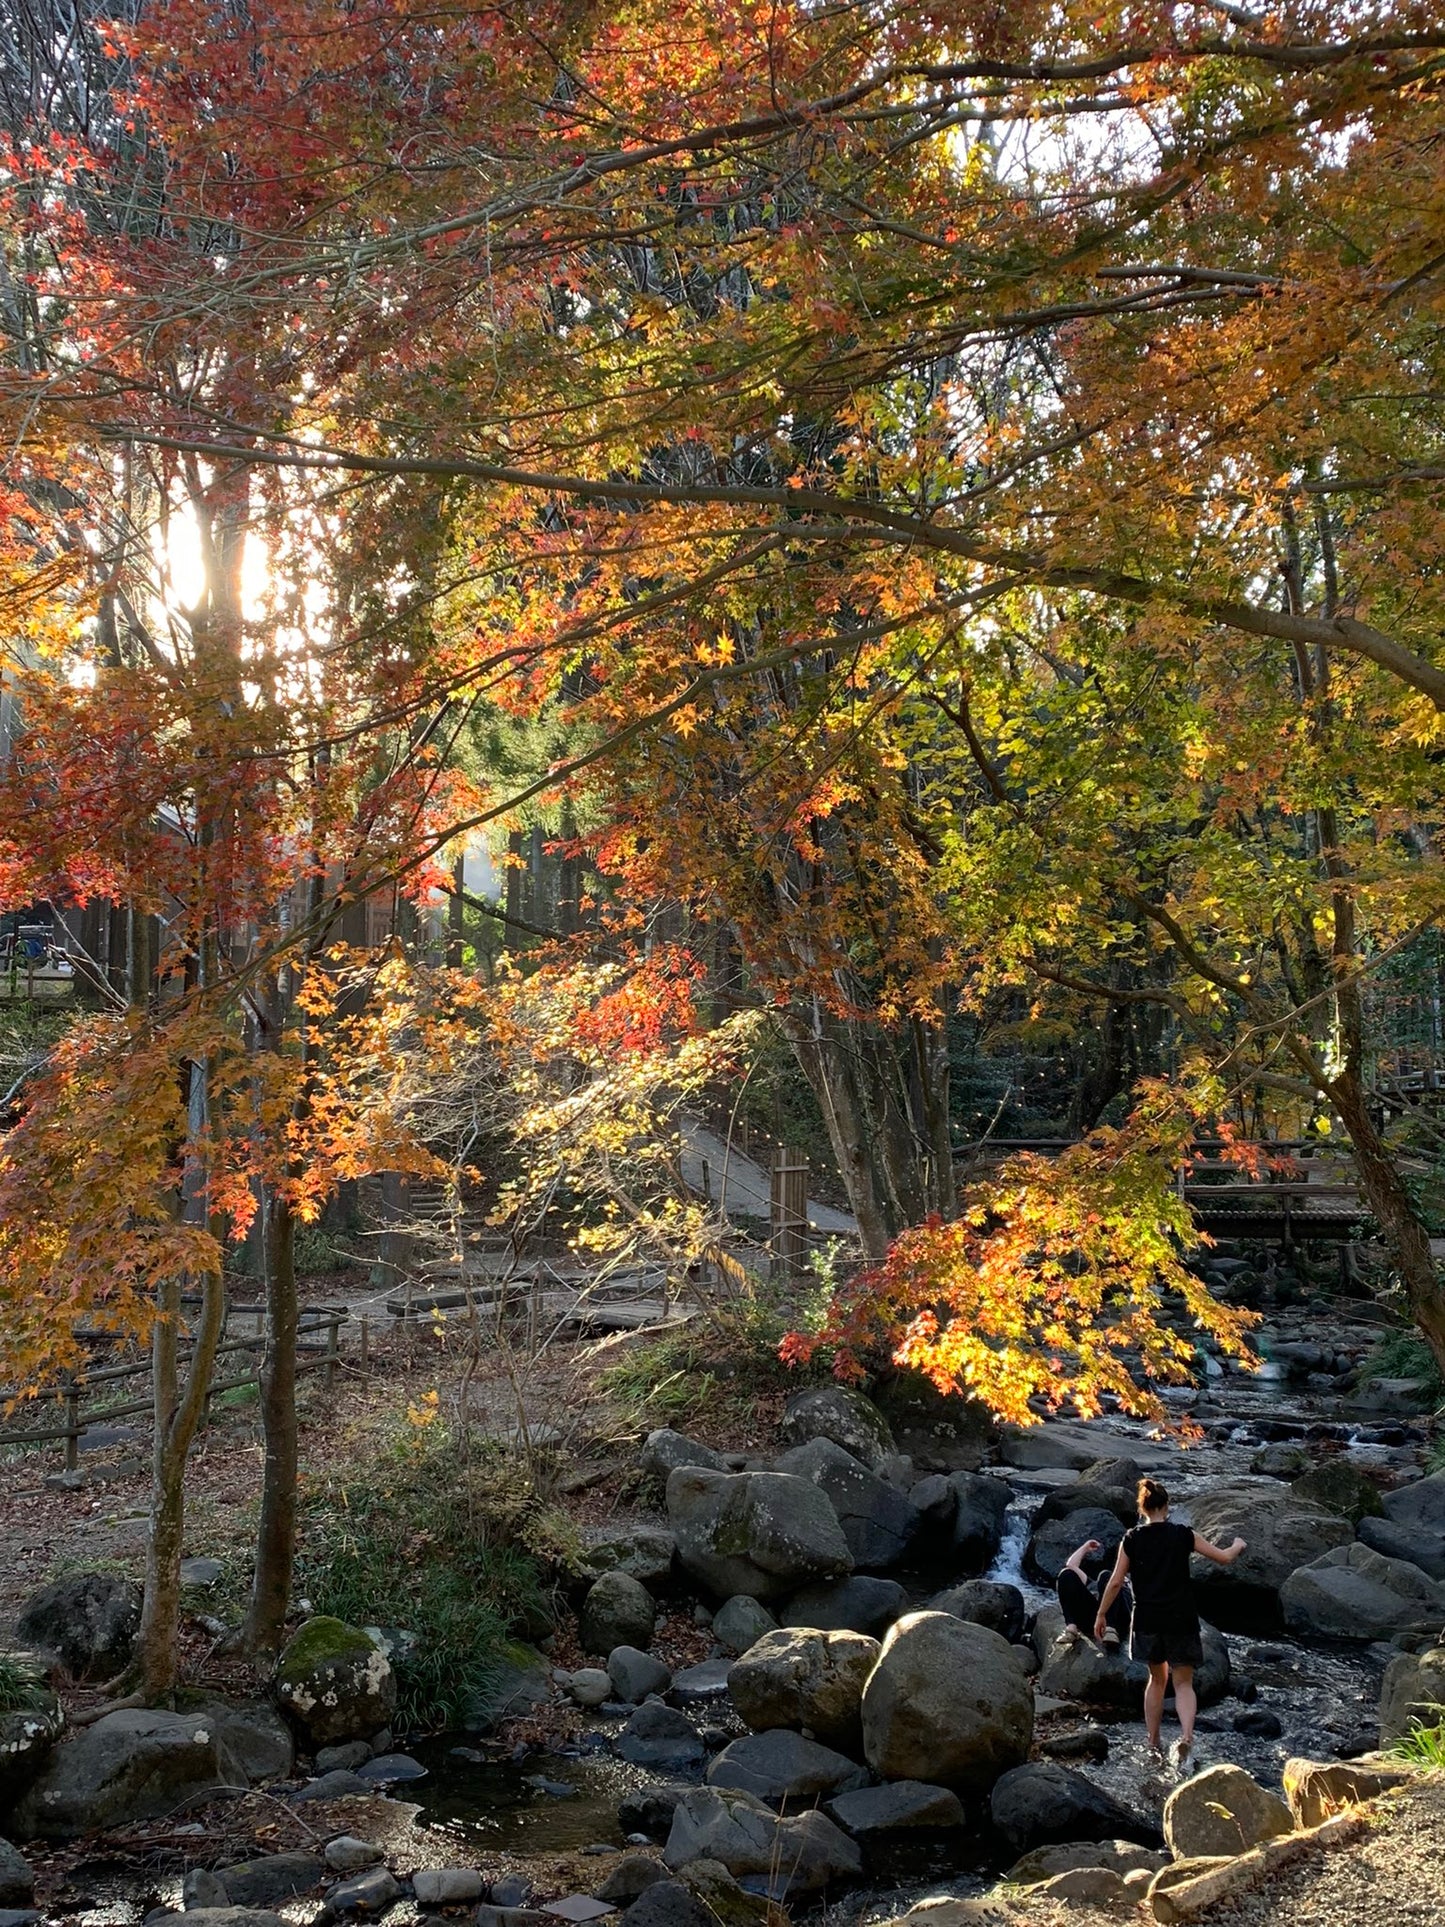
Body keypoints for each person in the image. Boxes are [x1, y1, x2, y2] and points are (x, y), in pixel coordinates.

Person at [1094, 1477, 1246, 1774]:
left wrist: (1101, 1614)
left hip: (1148, 1619)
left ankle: (1153, 1742)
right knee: (1183, 1683)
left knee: (1157, 1680)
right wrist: (1238, 1544)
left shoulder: (1132, 1538)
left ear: (1142, 1509)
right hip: (1181, 1618)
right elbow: (1224, 1558)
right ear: (1167, 1506)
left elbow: (1114, 1583)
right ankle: (1186, 1737)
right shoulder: (1183, 1535)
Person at [1056, 1537, 1131, 1650]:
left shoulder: (1130, 1587)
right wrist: (1085, 1548)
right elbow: (1071, 1566)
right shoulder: (1095, 1583)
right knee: (1065, 1574)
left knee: (1106, 1576)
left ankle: (1111, 1629)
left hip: (1119, 1620)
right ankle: (1071, 1628)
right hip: (1094, 1621)